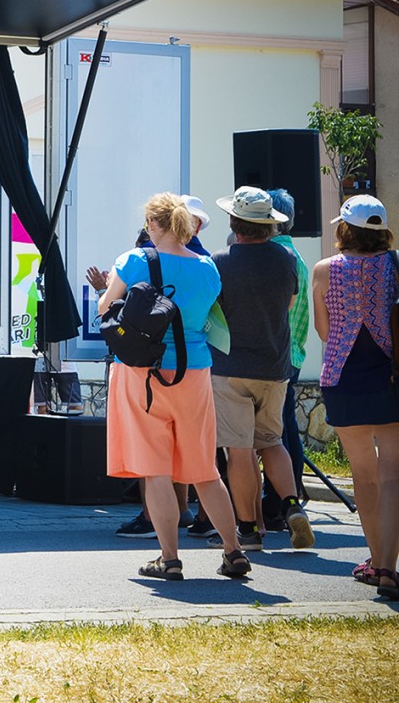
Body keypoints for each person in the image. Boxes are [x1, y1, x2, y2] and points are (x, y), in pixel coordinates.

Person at [98, 192, 248, 581]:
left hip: (143, 373)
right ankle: (233, 550)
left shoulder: (134, 261)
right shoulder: (207, 267)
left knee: (155, 470)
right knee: (205, 470)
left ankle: (169, 558)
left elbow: (104, 307)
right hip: (194, 371)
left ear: (152, 223)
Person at [209, 186, 310, 551]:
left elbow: (212, 311)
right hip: (275, 366)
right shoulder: (286, 260)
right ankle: (292, 505)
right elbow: (290, 303)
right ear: (269, 224)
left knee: (238, 451)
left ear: (234, 223)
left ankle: (249, 530)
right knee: (272, 442)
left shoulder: (221, 262)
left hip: (231, 366)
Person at [311, 195, 399, 600]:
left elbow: (324, 332)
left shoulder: (324, 270)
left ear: (345, 228)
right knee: (392, 476)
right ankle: (389, 569)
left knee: (364, 476)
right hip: (390, 377)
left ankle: (376, 562)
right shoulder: (395, 265)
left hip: (343, 378)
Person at [262, 187, 312, 525]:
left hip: (273, 355)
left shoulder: (275, 257)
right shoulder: (297, 256)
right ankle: (288, 500)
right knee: (286, 430)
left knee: (271, 435)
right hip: (292, 354)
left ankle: (277, 503)